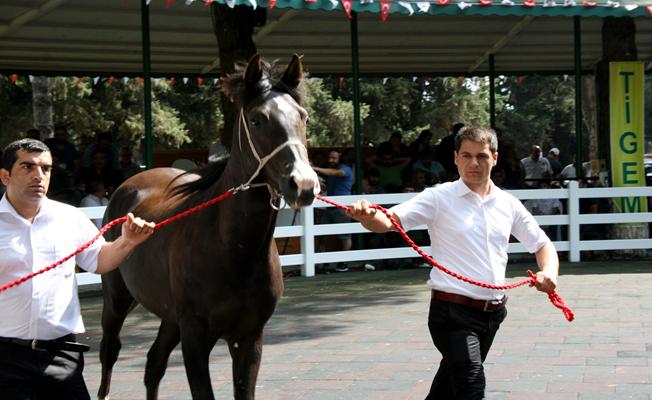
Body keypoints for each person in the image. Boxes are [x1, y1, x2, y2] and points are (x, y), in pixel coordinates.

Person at [347, 126, 559, 399]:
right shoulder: (438, 198)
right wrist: (366, 217)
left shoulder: (508, 204)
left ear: (495, 158)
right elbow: (389, 221)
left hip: (492, 315)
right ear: (456, 158)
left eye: (482, 156)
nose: (474, 163)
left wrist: (549, 271)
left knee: (448, 388)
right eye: (467, 155)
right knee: (471, 384)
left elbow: (542, 244)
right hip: (451, 314)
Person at [0, 138, 155, 400]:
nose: (39, 175)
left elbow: (99, 261)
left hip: (62, 355)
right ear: (5, 176)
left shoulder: (69, 218)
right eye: (28, 167)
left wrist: (127, 241)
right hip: (5, 359)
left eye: (46, 169)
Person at [312, 150, 353, 272]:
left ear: (340, 158)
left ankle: (343, 263)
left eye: (334, 158)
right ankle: (321, 263)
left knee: (345, 236)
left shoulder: (345, 169)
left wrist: (316, 168)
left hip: (342, 207)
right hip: (330, 207)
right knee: (320, 233)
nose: (331, 160)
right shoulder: (331, 171)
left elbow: (336, 173)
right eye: (330, 158)